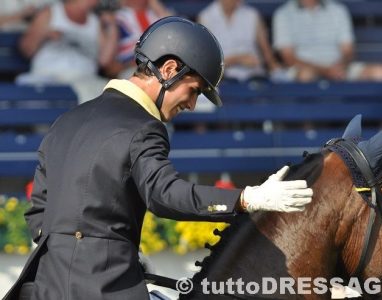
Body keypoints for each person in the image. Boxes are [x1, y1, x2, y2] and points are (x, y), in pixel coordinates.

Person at [5, 16, 313, 300]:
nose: (191, 105)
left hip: (45, 288)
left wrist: (93, 247)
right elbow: (164, 195)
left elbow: (39, 216)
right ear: (168, 70)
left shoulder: (66, 121)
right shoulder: (143, 127)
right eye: (193, 90)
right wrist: (246, 198)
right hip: (108, 288)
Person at [16, 0, 118, 103]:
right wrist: (45, 34)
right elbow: (26, 49)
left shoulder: (95, 21)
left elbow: (104, 61)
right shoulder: (51, 13)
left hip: (85, 78)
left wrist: (112, 26)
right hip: (50, 76)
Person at [272, 0, 382, 82]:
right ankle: (309, 119)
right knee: (306, 75)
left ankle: (365, 117)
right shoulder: (283, 14)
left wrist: (340, 66)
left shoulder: (338, 10)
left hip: (339, 67)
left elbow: (348, 51)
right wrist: (325, 71)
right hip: (305, 69)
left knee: (380, 73)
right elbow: (289, 58)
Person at [198, 0, 283, 82]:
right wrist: (238, 59)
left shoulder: (252, 14)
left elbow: (267, 53)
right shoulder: (205, 17)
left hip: (254, 76)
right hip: (222, 78)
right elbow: (207, 63)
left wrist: (279, 72)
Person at [105, 0, 172, 78]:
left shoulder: (156, 15)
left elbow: (173, 28)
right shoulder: (119, 17)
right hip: (131, 67)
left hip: (161, 63)